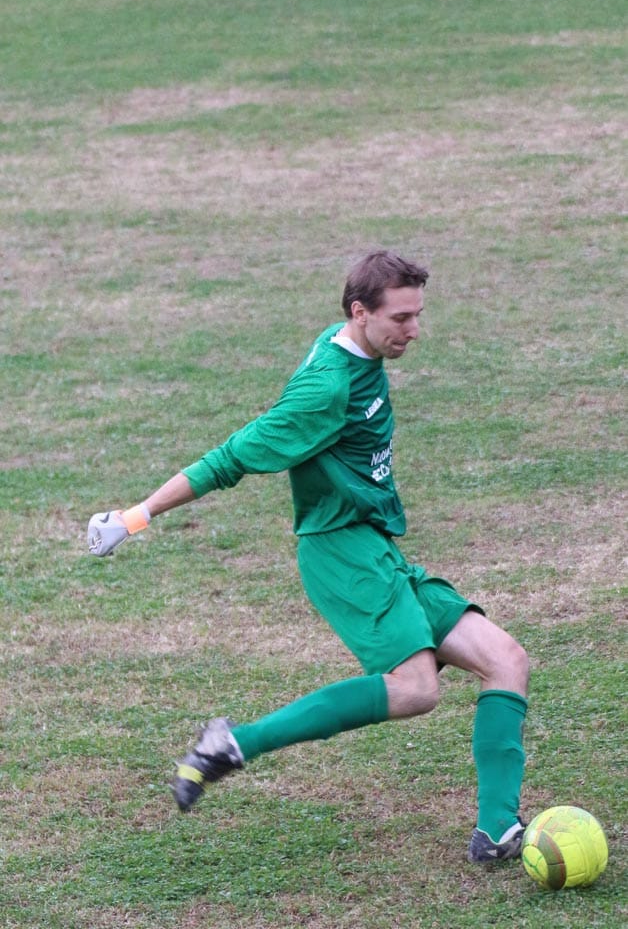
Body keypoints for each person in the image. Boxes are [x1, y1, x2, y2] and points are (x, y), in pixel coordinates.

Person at [88, 250, 529, 863]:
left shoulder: (352, 343)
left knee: (506, 659)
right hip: (340, 550)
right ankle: (231, 743)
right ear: (360, 312)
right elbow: (229, 458)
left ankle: (497, 830)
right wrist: (133, 517)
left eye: (418, 315)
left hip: (373, 544)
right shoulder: (325, 390)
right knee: (416, 689)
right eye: (401, 318)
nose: (414, 331)